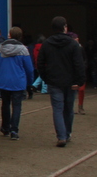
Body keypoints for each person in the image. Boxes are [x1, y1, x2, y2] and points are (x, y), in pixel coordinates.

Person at [36, 16, 86, 148]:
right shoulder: (73, 44)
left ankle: (61, 136)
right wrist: (80, 81)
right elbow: (79, 64)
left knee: (57, 109)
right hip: (71, 82)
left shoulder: (47, 44)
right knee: (68, 109)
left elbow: (40, 63)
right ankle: (67, 133)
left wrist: (45, 77)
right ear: (65, 27)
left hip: (54, 81)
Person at [0, 27, 34, 141]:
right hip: (18, 82)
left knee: (5, 105)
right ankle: (14, 130)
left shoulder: (0, 48)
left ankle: (5, 127)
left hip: (3, 81)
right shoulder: (23, 49)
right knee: (17, 106)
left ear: (10, 35)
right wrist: (30, 82)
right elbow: (29, 69)